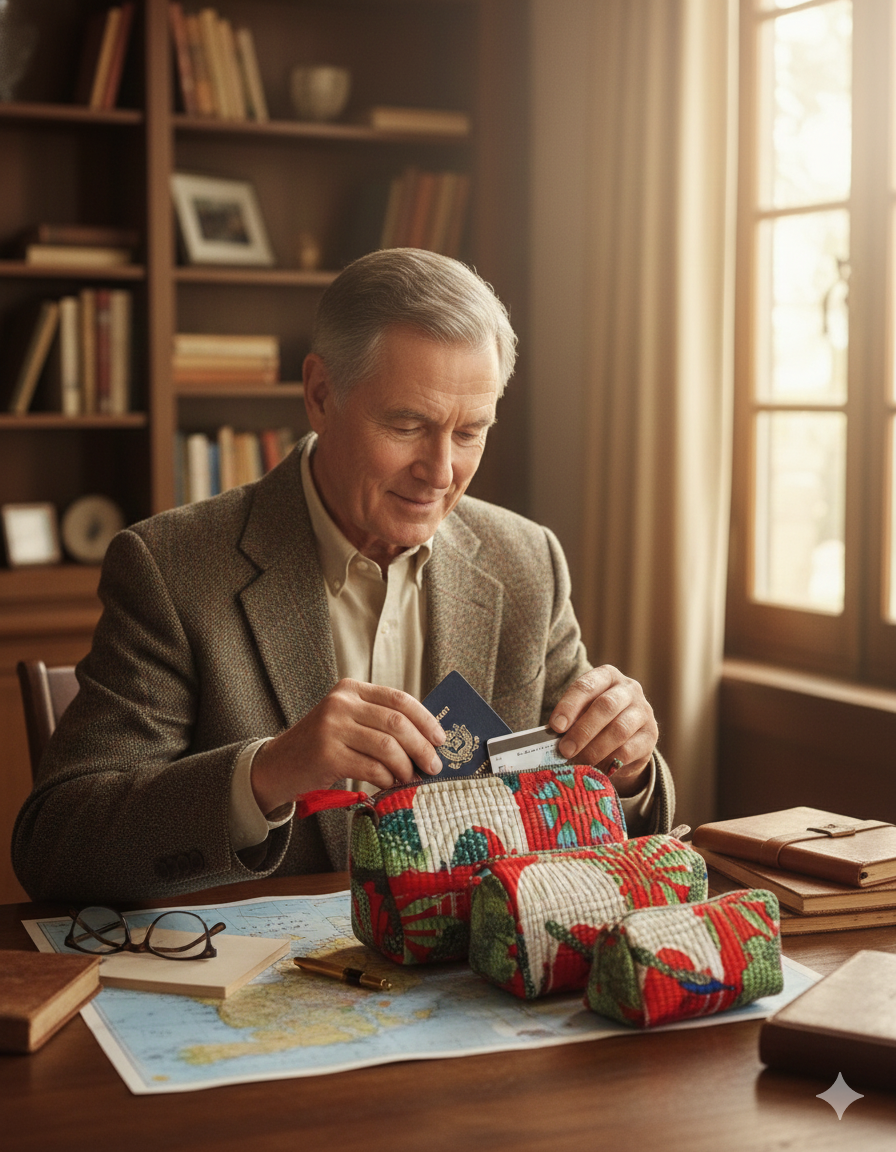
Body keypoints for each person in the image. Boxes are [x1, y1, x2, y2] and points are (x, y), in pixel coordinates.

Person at [12, 248, 674, 904]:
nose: (441, 472)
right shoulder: (172, 569)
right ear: (320, 394)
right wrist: (268, 772)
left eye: (470, 432)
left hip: (473, 982)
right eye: (408, 424)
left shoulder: (526, 560)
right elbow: (57, 845)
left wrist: (626, 765)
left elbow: (604, 822)